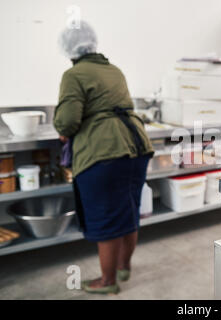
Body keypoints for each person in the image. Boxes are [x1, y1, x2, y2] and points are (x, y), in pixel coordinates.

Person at [54, 20, 154, 294]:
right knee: (129, 212)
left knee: (107, 218)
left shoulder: (73, 75)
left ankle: (107, 281)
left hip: (105, 152)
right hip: (136, 146)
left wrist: (63, 129)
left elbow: (66, 122)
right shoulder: (114, 70)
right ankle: (123, 267)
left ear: (67, 49)